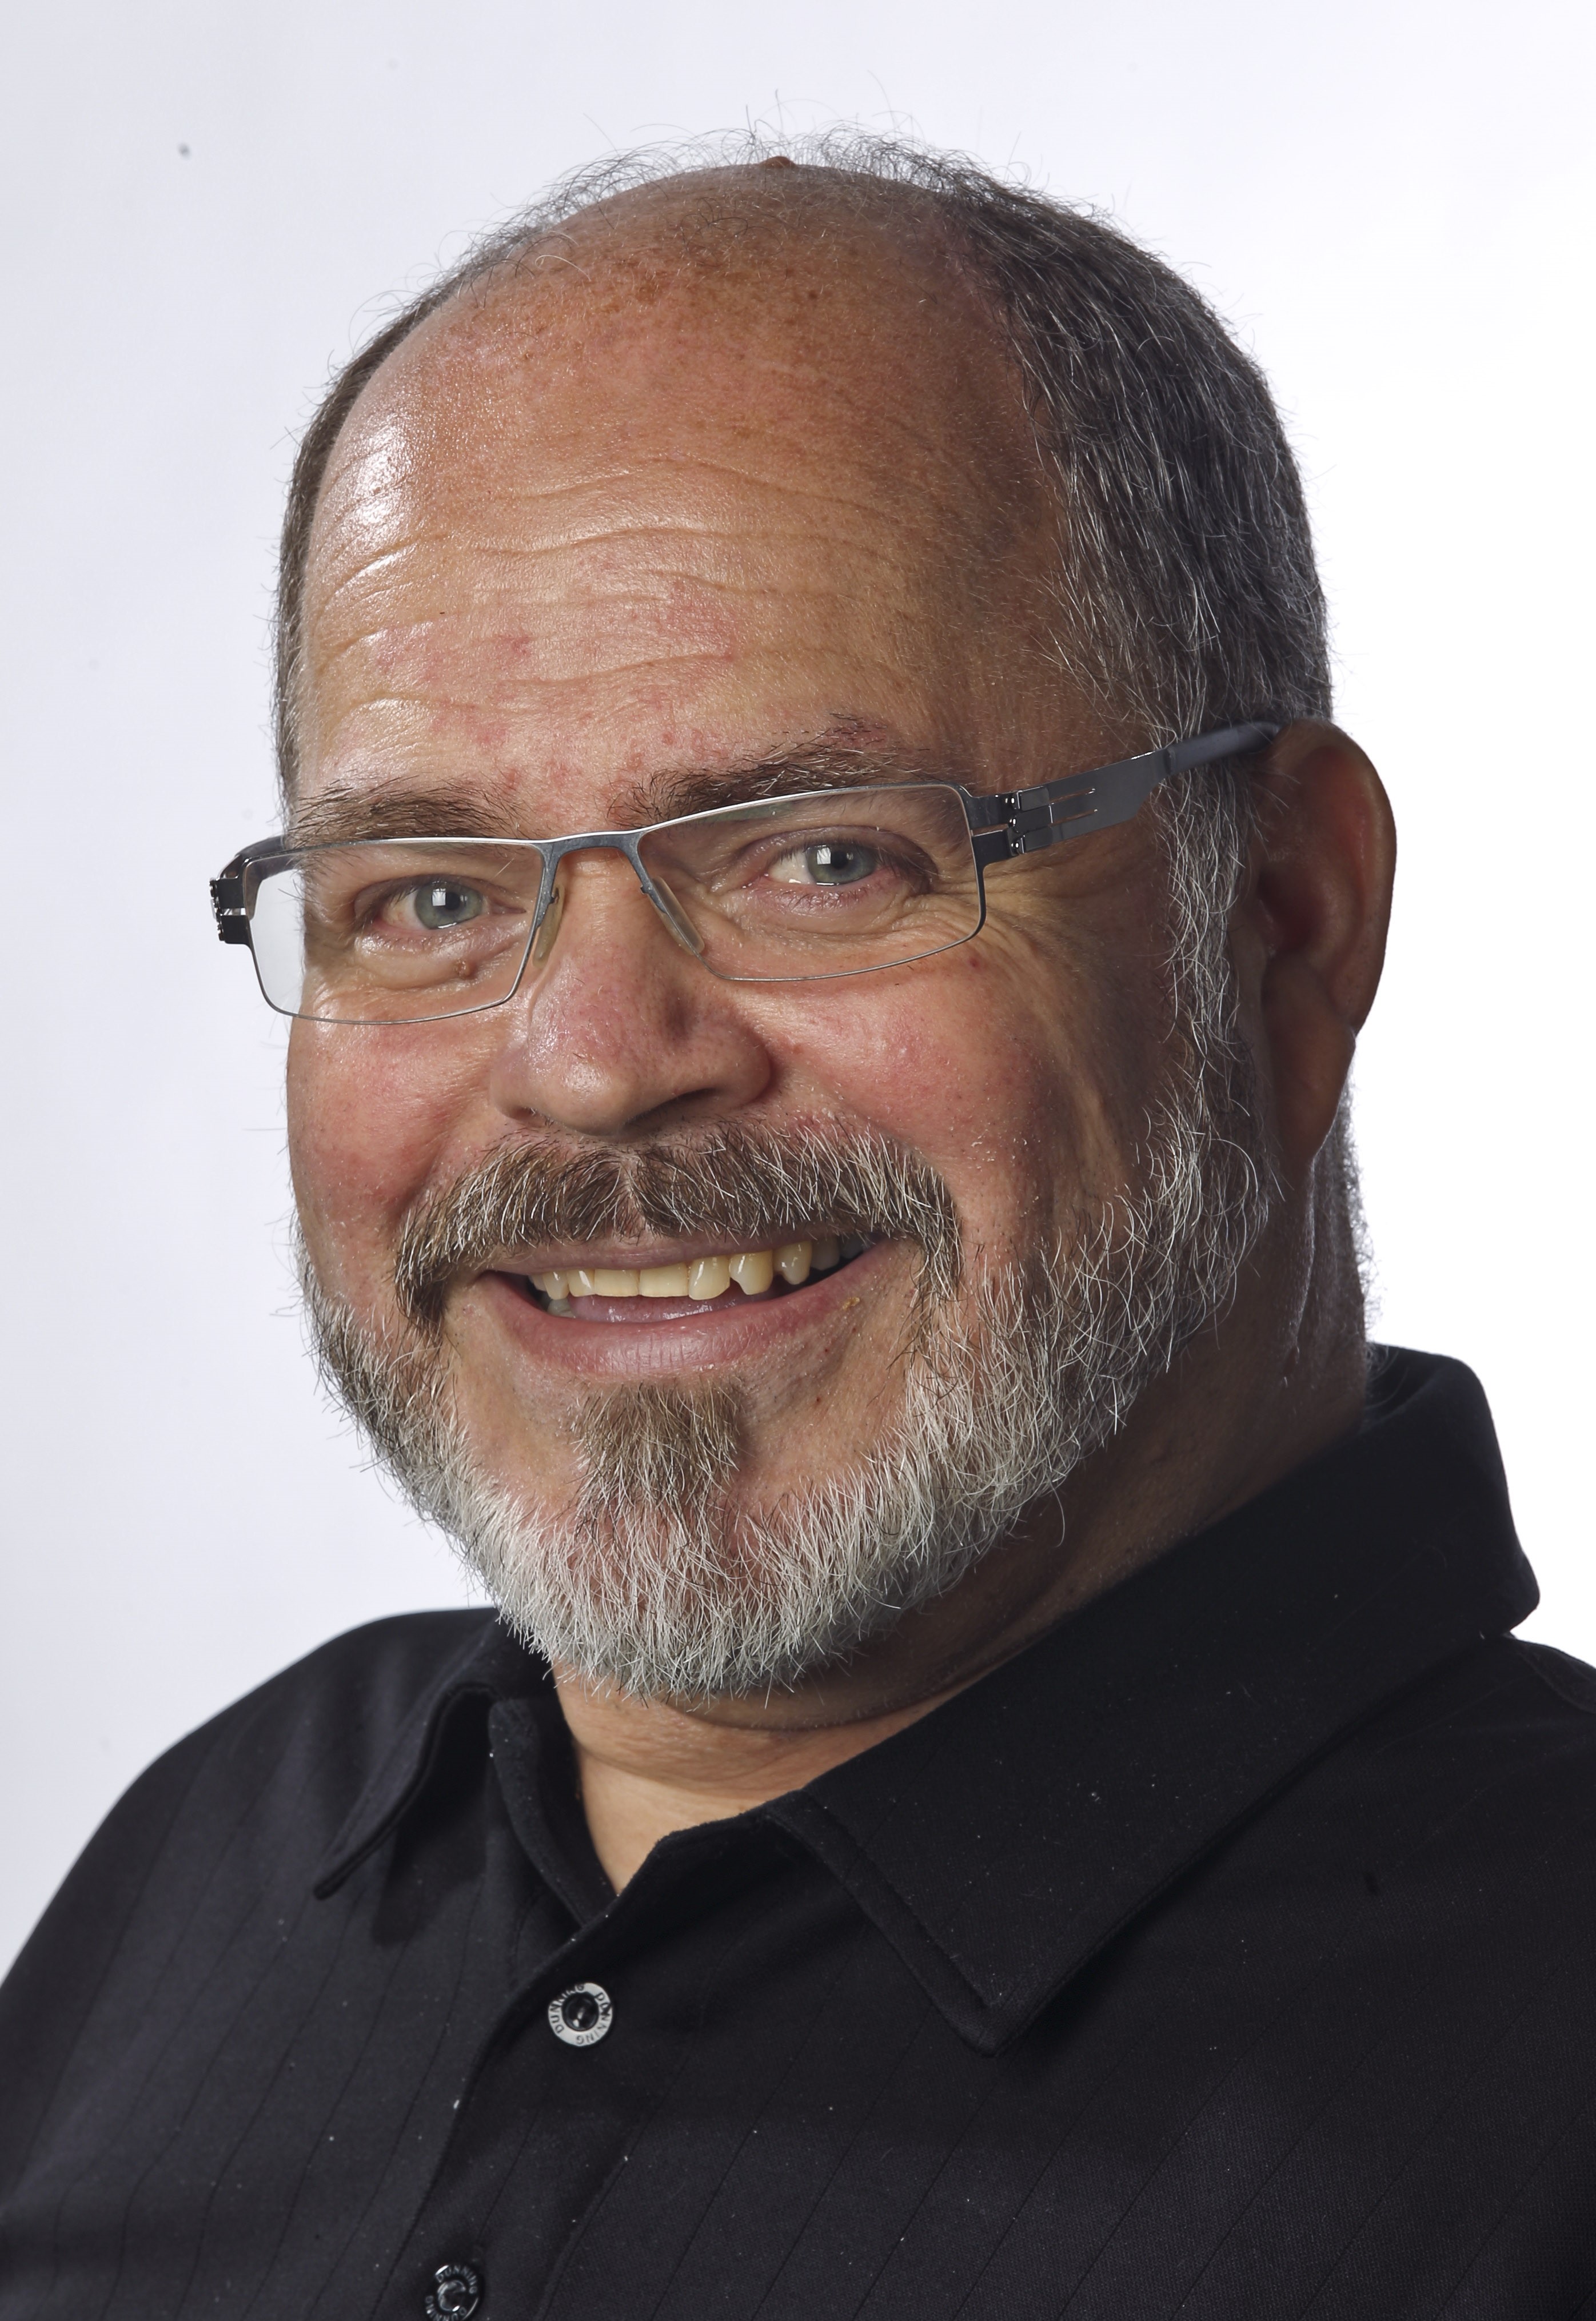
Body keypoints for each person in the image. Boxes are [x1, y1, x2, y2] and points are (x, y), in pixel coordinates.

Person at [3, 135, 1591, 2321]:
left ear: (1288, 925)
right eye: (432, 896)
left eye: (825, 856)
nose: (585, 1057)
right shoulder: (224, 1858)